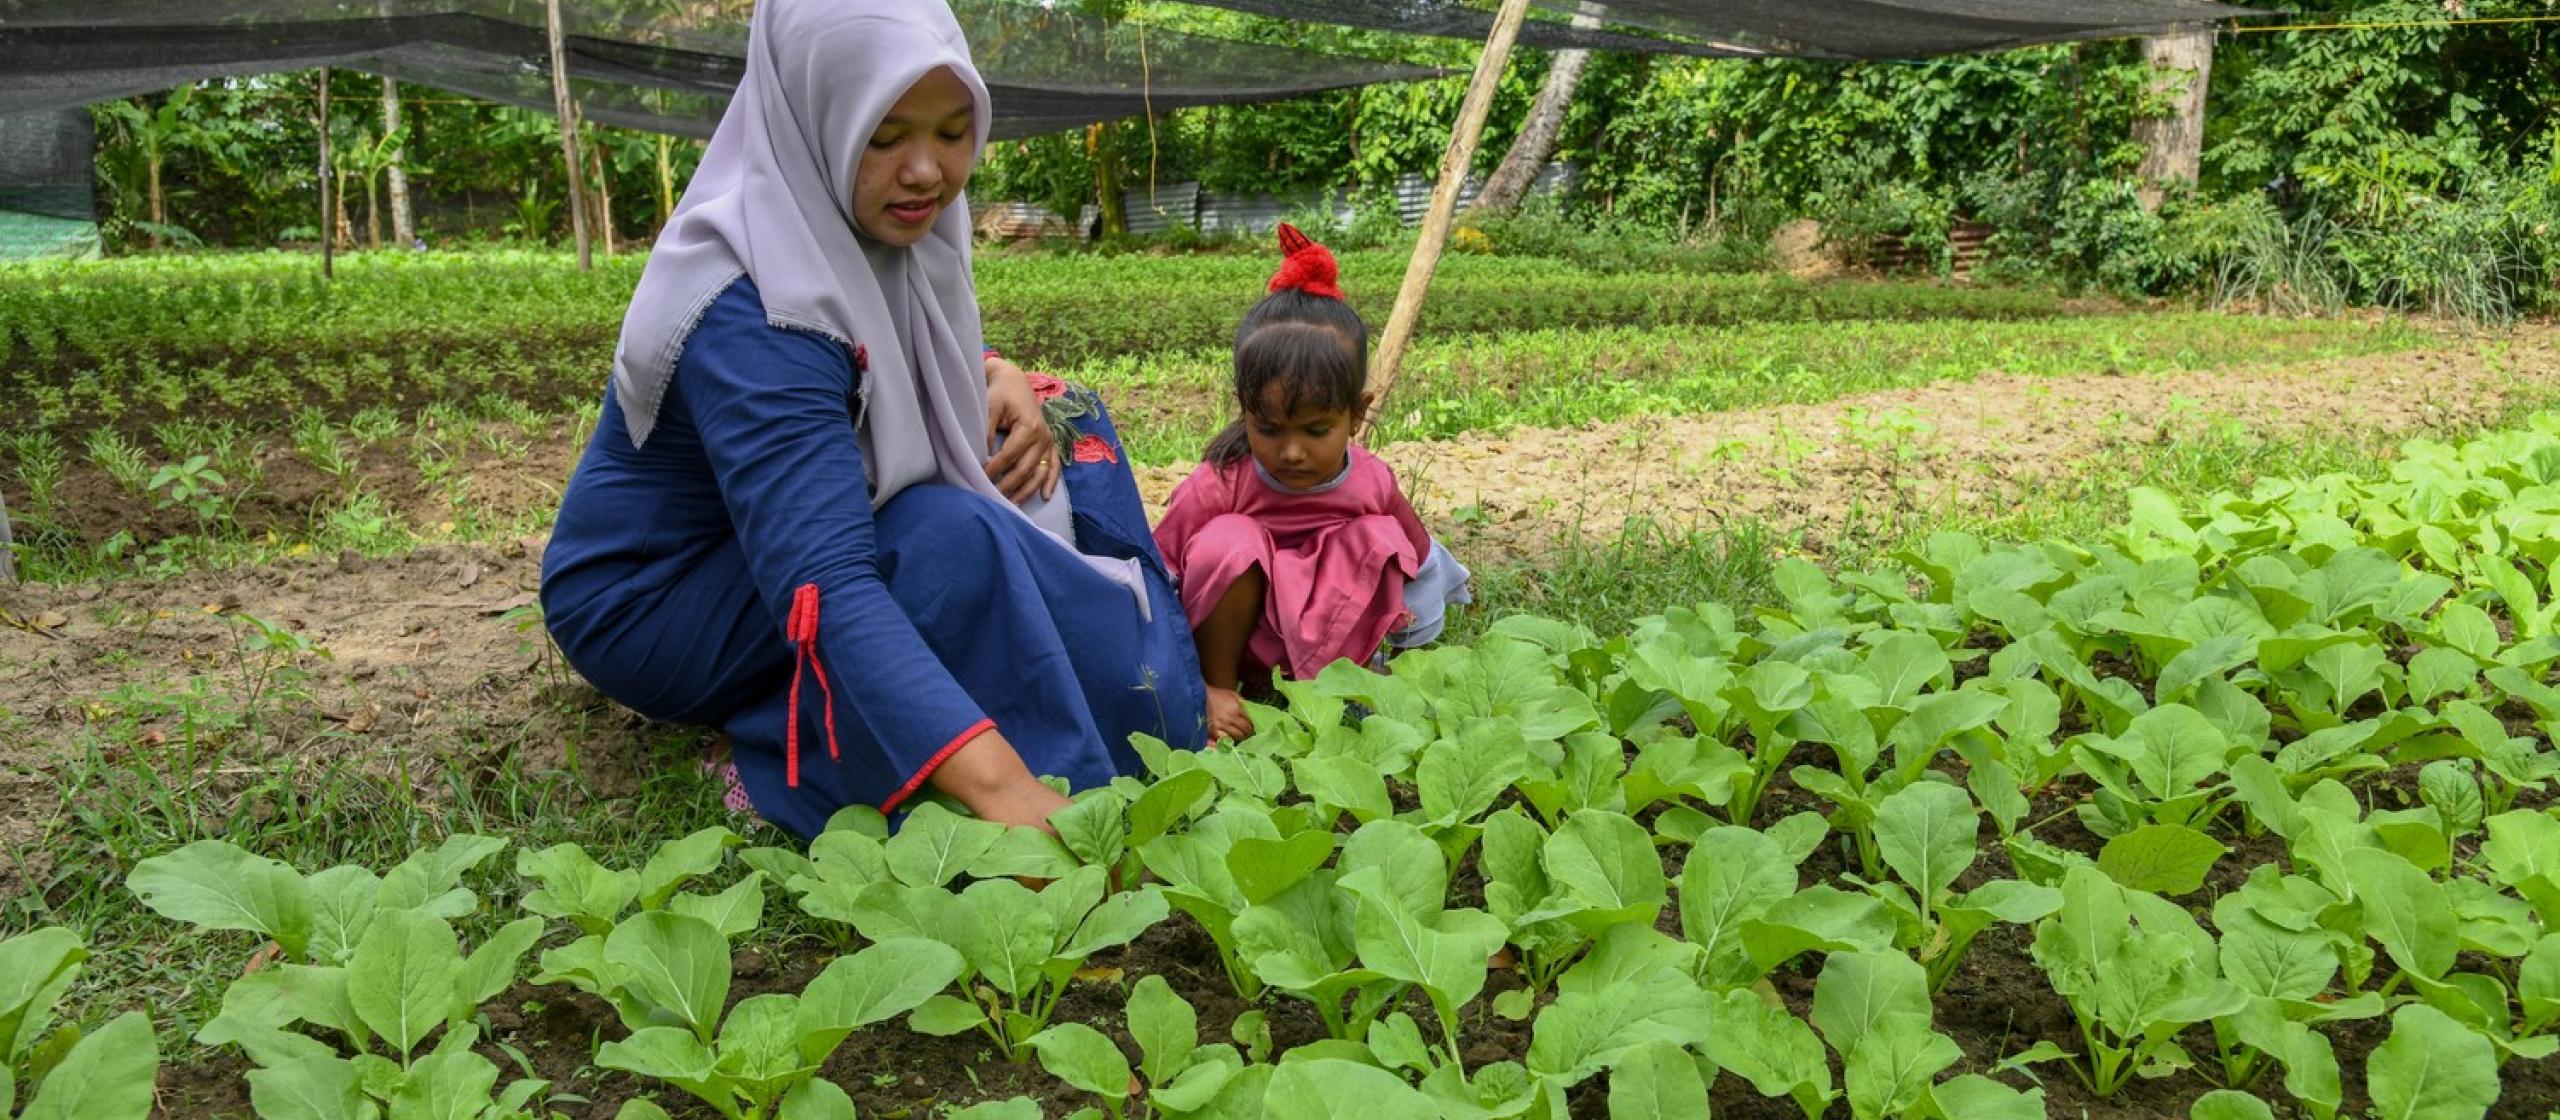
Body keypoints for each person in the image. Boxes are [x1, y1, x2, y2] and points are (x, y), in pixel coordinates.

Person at [538, 0, 1205, 840]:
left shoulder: (878, 220)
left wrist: (993, 371)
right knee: (945, 541)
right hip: (657, 598)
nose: (926, 170)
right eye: (886, 137)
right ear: (818, 119)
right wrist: (1006, 795)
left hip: (776, 538)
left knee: (1063, 418)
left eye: (954, 131)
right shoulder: (756, 312)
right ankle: (781, 755)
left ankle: (1104, 689)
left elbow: (891, 343)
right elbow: (826, 583)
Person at [1152, 225, 1472, 743]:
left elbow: (1418, 560)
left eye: (1316, 430)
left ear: (1356, 415)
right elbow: (1160, 571)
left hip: (1336, 626)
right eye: (1269, 429)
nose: (1293, 451)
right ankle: (1218, 689)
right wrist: (1186, 676)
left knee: (1377, 536)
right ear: (1246, 411)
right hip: (1246, 641)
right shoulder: (1220, 484)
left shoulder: (1370, 481)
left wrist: (1416, 653)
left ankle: (1355, 680)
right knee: (1225, 541)